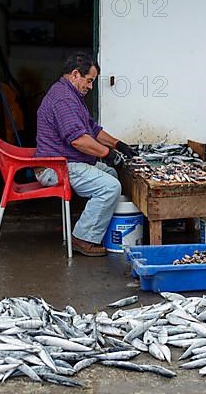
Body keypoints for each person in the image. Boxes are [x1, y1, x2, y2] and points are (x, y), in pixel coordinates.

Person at [35, 52, 137, 256]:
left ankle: (97, 228)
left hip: (67, 163)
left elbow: (92, 129)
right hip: (56, 168)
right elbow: (78, 139)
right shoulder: (63, 99)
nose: (90, 87)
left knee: (110, 174)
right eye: (89, 81)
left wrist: (119, 145)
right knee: (110, 187)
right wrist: (107, 153)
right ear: (75, 75)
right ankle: (82, 238)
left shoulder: (71, 96)